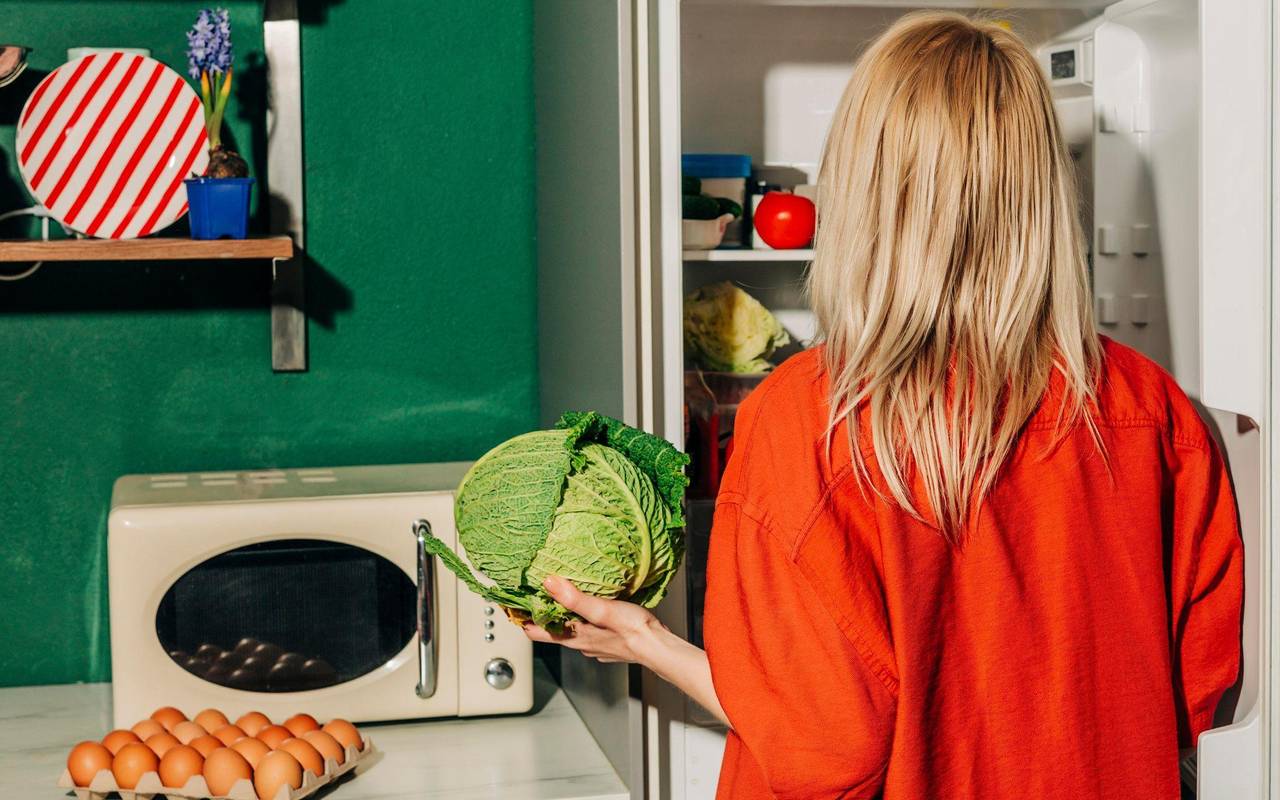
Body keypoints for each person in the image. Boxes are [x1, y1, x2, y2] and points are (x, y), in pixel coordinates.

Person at [524, 11, 1243, 799]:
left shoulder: (809, 422)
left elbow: (824, 752)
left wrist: (650, 644)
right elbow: (1198, 696)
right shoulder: (1154, 410)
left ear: (863, 193)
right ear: (1042, 194)